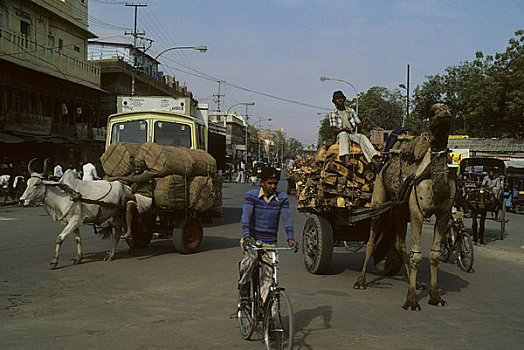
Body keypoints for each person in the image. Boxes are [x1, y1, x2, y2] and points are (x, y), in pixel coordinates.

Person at [238, 166, 298, 302]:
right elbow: (245, 216)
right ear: (262, 183)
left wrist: (290, 237)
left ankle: (266, 310)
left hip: (270, 242)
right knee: (249, 261)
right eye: (269, 183)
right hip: (252, 240)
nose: (272, 186)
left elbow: (287, 218)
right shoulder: (251, 196)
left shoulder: (281, 198)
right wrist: (246, 236)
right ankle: (243, 289)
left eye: (275, 184)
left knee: (270, 278)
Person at [108, 158, 154, 240]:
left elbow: (132, 179)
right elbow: (127, 180)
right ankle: (128, 231)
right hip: (136, 197)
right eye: (135, 167)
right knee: (128, 206)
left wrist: (117, 177)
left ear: (143, 168)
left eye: (138, 167)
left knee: (125, 196)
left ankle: (118, 216)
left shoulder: (148, 174)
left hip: (145, 198)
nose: (136, 168)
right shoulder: (134, 173)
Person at [329, 91, 379, 166]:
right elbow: (334, 130)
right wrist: (343, 129)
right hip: (341, 134)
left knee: (362, 137)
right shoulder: (333, 113)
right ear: (335, 101)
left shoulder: (351, 111)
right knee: (343, 134)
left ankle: (373, 159)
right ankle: (346, 159)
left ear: (343, 100)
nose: (340, 100)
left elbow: (358, 124)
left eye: (341, 98)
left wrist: (363, 122)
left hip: (352, 134)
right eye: (337, 99)